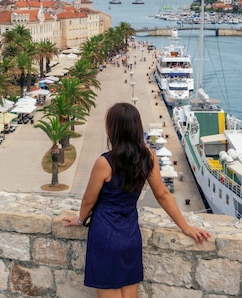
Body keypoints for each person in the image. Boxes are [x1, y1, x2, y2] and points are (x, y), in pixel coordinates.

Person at [63, 102, 210, 298]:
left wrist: (80, 220)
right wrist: (185, 227)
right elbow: (163, 195)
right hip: (130, 234)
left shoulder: (104, 162)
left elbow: (89, 200)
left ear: (111, 129)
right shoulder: (147, 156)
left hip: (104, 235)